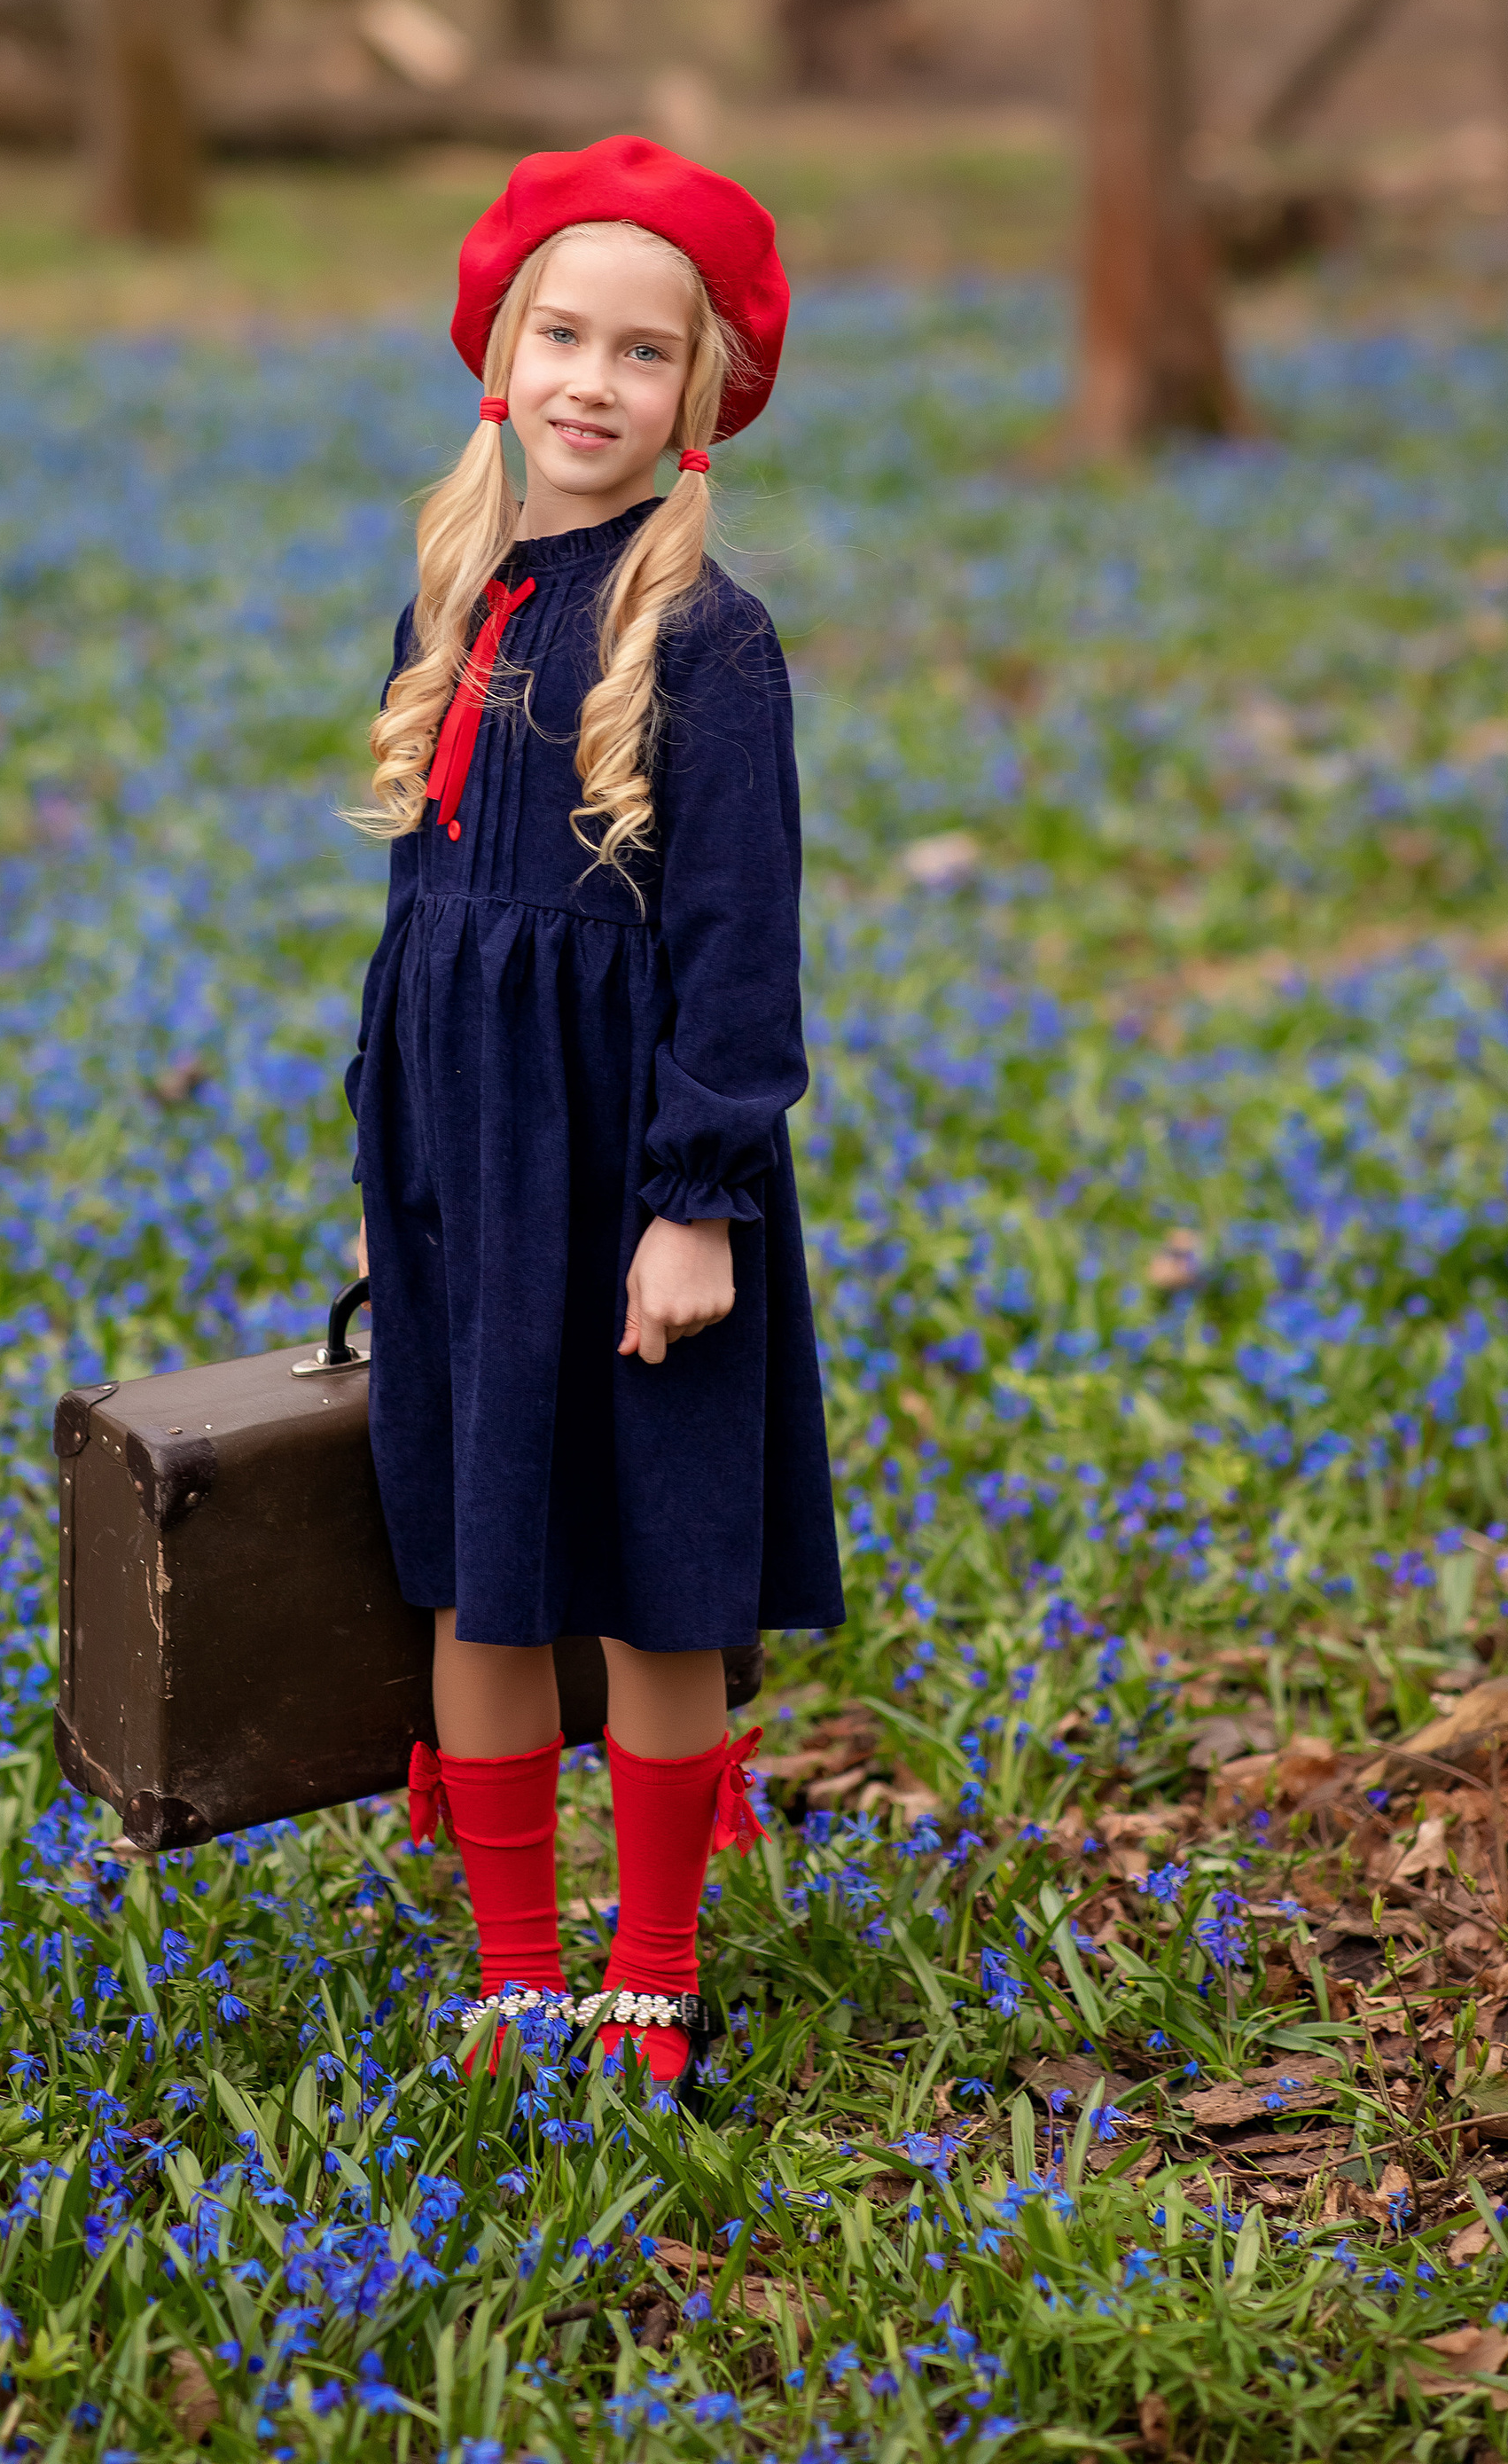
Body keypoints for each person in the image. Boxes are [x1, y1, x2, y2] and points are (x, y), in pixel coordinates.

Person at [344, 133, 844, 2098]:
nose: (591, 381)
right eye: (561, 333)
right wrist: (384, 1173)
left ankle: (649, 1958)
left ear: (699, 397)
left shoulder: (709, 644)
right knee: (475, 1564)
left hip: (632, 1166)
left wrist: (696, 1197)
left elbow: (738, 947)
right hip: (467, 1163)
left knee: (650, 1570)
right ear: (499, 352)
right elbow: (413, 932)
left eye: (644, 354)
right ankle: (515, 1965)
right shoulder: (447, 611)